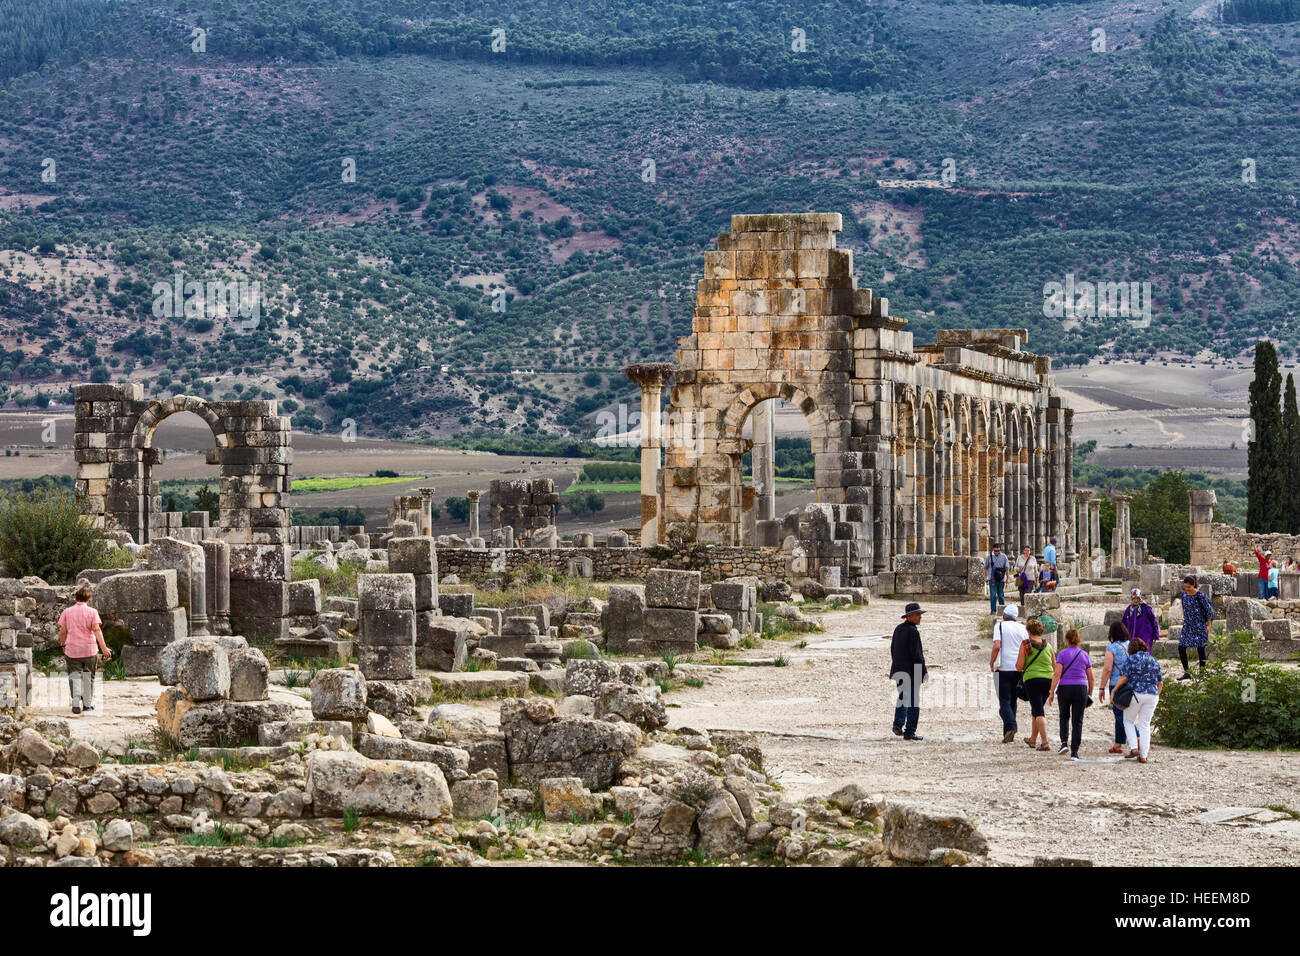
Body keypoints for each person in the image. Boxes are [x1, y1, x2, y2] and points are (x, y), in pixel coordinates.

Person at [57, 585, 111, 716]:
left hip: (72, 650)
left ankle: (76, 701)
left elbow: (63, 631)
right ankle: (87, 704)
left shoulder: (67, 612)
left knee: (74, 675)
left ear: (75, 598)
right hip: (90, 650)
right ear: (88, 599)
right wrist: (104, 649)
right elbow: (96, 630)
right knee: (89, 677)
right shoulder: (92, 612)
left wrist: (63, 645)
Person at [1112, 637, 1163, 763]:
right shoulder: (1154, 660)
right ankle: (1143, 755)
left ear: (1132, 649)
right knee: (1145, 725)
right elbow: (1160, 682)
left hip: (1136, 694)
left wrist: (1114, 691)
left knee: (1128, 720)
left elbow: (1124, 677)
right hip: (1152, 695)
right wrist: (1155, 695)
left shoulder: (1131, 659)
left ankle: (1134, 748)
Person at [1048, 627, 1094, 761]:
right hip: (1081, 688)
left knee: (1064, 716)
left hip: (1065, 688)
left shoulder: (1062, 654)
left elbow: (1057, 674)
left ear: (1066, 639)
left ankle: (1063, 743)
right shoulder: (1084, 655)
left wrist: (1051, 692)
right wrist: (1089, 694)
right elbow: (1091, 677)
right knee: (1077, 720)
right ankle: (1075, 752)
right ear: (1079, 640)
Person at [989, 603, 1028, 743]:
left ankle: (1011, 726)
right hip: (1019, 667)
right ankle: (1008, 733)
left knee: (1004, 701)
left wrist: (991, 661)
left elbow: (997, 645)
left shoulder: (999, 626)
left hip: (1003, 667)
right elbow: (1027, 647)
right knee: (1013, 701)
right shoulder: (1023, 628)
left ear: (1004, 616)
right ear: (1016, 617)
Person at [890, 602, 928, 741]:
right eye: (917, 615)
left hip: (899, 670)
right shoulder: (913, 632)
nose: (920, 617)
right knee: (913, 702)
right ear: (910, 616)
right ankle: (910, 732)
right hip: (912, 672)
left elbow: (893, 649)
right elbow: (917, 655)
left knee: (902, 698)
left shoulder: (898, 629)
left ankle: (898, 724)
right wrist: (922, 672)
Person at [1017, 619, 1055, 751]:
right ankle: (1032, 740)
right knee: (1035, 709)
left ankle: (1045, 742)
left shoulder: (1026, 645)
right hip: (1048, 679)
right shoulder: (1048, 646)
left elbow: (1020, 666)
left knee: (1038, 712)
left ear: (1028, 631)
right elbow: (1054, 665)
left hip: (1032, 679)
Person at [1097, 620, 1134, 754]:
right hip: (1131, 683)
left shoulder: (1111, 648)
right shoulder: (1131, 645)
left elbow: (1107, 669)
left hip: (1116, 684)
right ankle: (1118, 743)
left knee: (1119, 713)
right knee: (1125, 712)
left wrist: (1101, 688)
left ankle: (1137, 736)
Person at [1176, 574, 1213, 681]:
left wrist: (1208, 625)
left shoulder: (1200, 595)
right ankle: (1187, 672)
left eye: (1189, 587)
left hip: (1200, 625)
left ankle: (1202, 673)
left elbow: (1208, 611)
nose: (1187, 589)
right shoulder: (1183, 595)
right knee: (1181, 647)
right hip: (1188, 625)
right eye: (1185, 587)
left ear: (1193, 585)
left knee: (1201, 649)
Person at [984, 543, 1009, 616]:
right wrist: (985, 577)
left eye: (998, 551)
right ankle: (993, 611)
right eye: (995, 551)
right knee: (993, 596)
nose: (997, 552)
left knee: (1001, 595)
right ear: (993, 550)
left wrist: (1007, 578)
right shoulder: (989, 557)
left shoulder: (1004, 556)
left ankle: (1002, 611)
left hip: (1001, 579)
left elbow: (1007, 568)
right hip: (992, 579)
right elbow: (985, 568)